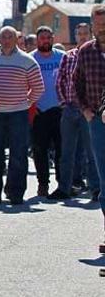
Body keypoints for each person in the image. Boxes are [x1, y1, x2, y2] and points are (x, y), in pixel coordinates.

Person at [0, 27, 45, 205]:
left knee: (18, 155)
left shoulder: (27, 60)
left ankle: (15, 193)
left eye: (11, 36)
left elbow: (38, 87)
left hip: (18, 114)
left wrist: (26, 102)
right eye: (4, 37)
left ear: (17, 39)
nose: (7, 40)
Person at [72, 5, 105, 246]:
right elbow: (76, 85)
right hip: (96, 121)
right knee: (104, 180)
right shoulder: (85, 52)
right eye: (99, 23)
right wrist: (85, 111)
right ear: (92, 24)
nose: (102, 27)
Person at [52, 23, 96, 200]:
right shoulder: (68, 56)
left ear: (91, 34)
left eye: (86, 33)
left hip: (90, 110)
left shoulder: (95, 55)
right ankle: (64, 188)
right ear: (75, 36)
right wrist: (63, 102)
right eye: (80, 34)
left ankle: (96, 189)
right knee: (66, 151)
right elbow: (60, 81)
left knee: (92, 152)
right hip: (70, 109)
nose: (83, 36)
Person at [30, 26, 65, 197]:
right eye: (42, 38)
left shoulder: (62, 57)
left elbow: (70, 80)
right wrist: (31, 106)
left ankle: (63, 183)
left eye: (48, 37)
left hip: (59, 109)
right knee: (39, 149)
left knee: (61, 149)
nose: (46, 40)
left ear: (53, 38)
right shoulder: (30, 59)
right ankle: (43, 183)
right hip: (38, 111)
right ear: (37, 40)